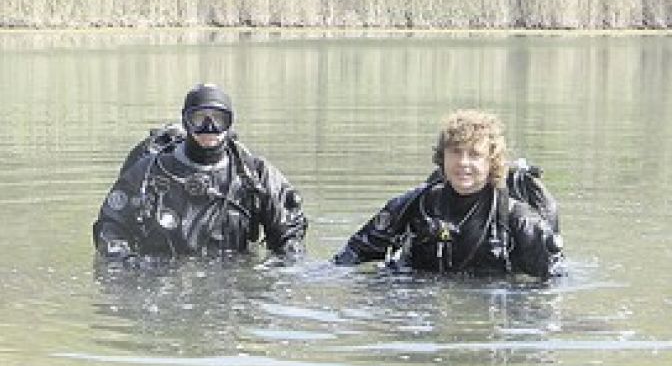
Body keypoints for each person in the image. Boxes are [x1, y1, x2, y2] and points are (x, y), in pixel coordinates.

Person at [333, 109, 564, 279]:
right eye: (455, 152)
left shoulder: (516, 218)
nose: (463, 163)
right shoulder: (417, 204)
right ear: (442, 157)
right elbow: (353, 253)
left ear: (491, 162)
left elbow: (555, 281)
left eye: (474, 155)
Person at [92, 84, 307, 261]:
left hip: (232, 286)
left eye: (218, 119)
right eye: (199, 119)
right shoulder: (149, 171)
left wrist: (278, 273)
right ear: (186, 122)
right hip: (161, 280)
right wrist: (125, 267)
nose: (209, 128)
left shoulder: (254, 175)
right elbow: (111, 227)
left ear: (229, 124)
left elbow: (289, 234)